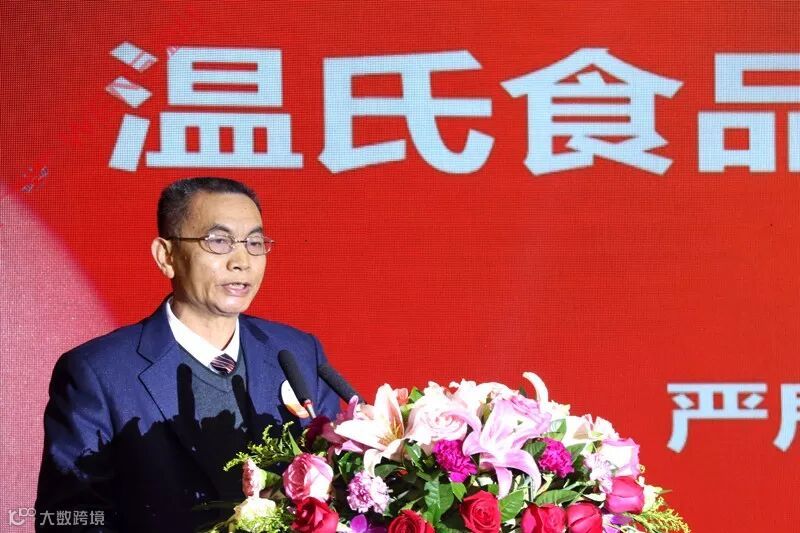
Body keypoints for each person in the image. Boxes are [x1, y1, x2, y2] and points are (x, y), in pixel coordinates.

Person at [35, 177, 341, 532]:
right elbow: (67, 519)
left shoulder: (297, 352)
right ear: (166, 256)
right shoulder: (99, 372)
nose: (242, 261)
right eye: (219, 241)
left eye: (255, 243)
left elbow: (339, 475)